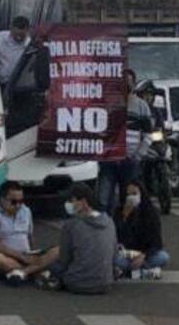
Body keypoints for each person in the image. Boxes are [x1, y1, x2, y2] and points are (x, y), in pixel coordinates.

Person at [0, 180, 58, 285]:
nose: (17, 205)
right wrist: (22, 257)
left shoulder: (26, 211)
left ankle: (22, 273)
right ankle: (34, 271)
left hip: (26, 254)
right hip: (6, 256)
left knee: (57, 250)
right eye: (13, 202)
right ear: (2, 199)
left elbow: (29, 237)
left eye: (20, 201)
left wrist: (33, 254)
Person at [49, 182, 117, 294]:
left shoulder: (71, 225)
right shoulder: (109, 221)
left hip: (77, 283)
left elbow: (64, 260)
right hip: (106, 283)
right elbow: (114, 256)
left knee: (52, 267)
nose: (68, 204)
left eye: (72, 201)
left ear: (84, 202)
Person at [97, 68, 150, 213]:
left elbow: (147, 135)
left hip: (130, 160)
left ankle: (128, 224)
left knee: (129, 200)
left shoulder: (142, 106)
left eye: (129, 81)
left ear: (134, 84)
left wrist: (137, 156)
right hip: (109, 159)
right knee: (104, 198)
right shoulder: (107, 105)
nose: (126, 84)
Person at [114, 179, 169, 279]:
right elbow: (116, 237)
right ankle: (143, 272)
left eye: (134, 194)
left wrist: (143, 256)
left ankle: (131, 272)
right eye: (128, 194)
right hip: (126, 253)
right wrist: (124, 216)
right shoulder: (119, 211)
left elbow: (156, 242)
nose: (131, 197)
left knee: (163, 257)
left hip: (145, 253)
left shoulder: (151, 212)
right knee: (116, 260)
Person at [0, 16, 31, 85]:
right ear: (11, 28)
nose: (19, 38)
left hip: (17, 84)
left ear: (27, 31)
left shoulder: (29, 45)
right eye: (16, 34)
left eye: (22, 35)